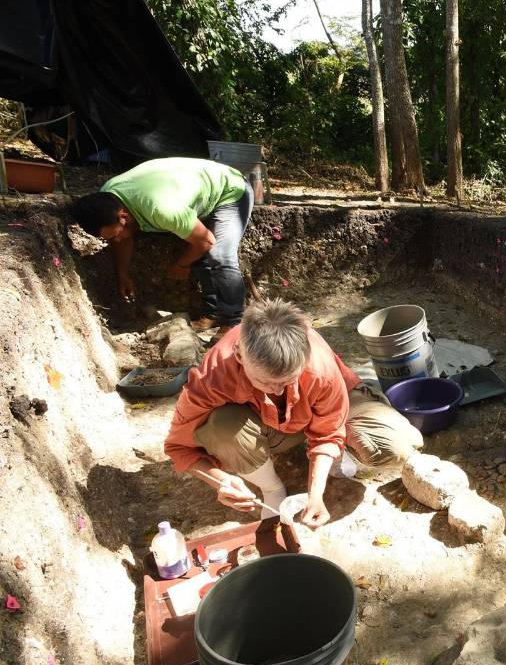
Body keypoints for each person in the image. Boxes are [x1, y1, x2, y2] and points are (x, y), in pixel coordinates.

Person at [164, 299, 423, 527]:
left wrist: (315, 495)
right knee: (221, 429)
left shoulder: (319, 366)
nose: (279, 389)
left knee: (397, 444)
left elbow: (328, 433)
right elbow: (178, 448)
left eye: (290, 380)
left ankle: (336, 454)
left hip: (323, 412)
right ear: (240, 357)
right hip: (266, 424)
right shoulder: (214, 374)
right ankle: (272, 488)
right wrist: (219, 481)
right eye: (266, 382)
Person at [72, 157, 253, 329]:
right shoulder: (107, 200)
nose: (116, 240)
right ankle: (213, 315)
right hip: (197, 190)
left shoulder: (160, 209)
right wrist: (123, 273)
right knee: (198, 253)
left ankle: (233, 323)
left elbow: (206, 241)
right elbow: (122, 238)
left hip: (230, 189)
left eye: (115, 235)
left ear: (123, 216)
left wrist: (181, 265)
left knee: (220, 254)